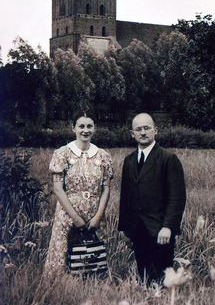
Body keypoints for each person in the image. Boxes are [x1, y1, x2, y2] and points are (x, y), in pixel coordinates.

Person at [118, 113, 186, 283]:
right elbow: (125, 196)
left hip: (160, 231)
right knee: (144, 279)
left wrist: (168, 227)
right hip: (137, 230)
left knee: (161, 281)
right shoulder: (129, 161)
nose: (143, 132)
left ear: (155, 131)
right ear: (132, 133)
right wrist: (126, 230)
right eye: (138, 129)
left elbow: (177, 197)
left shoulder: (168, 159)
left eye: (147, 128)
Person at [44, 110, 113, 275]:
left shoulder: (103, 156)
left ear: (94, 128)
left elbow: (106, 188)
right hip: (68, 214)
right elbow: (58, 189)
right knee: (65, 256)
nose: (85, 130)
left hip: (94, 214)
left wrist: (98, 216)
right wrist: (75, 218)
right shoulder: (63, 154)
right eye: (81, 126)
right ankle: (64, 291)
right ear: (73, 128)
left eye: (89, 126)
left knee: (93, 257)